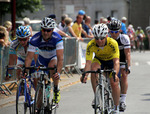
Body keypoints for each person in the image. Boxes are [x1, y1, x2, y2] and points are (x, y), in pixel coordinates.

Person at [81, 23, 120, 114]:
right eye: (96, 38)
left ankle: (116, 107)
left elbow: (116, 62)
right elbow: (88, 62)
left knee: (114, 82)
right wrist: (85, 74)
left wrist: (115, 72)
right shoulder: (91, 44)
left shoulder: (113, 43)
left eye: (102, 38)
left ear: (106, 36)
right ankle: (97, 96)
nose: (99, 40)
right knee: (93, 70)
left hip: (111, 61)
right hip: (99, 60)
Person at [25, 17, 63, 104]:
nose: (45, 32)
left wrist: (59, 73)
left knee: (52, 67)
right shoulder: (35, 38)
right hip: (41, 59)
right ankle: (39, 104)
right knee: (37, 79)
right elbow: (29, 57)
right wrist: (26, 71)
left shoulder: (57, 38)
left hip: (53, 58)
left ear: (52, 30)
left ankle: (56, 89)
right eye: (44, 30)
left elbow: (60, 58)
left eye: (48, 30)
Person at [108, 19, 131, 112]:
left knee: (124, 75)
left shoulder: (124, 38)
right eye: (112, 32)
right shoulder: (106, 38)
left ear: (120, 30)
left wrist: (127, 67)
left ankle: (122, 100)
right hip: (110, 59)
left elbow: (128, 54)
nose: (114, 34)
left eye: (116, 32)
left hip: (121, 60)